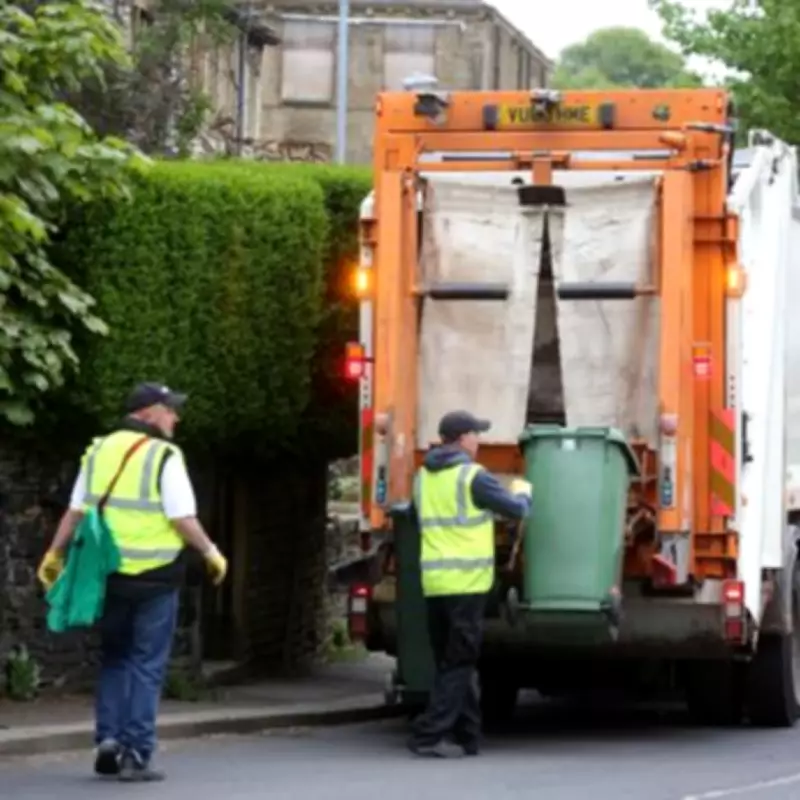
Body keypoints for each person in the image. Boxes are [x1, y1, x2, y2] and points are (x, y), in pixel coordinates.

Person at [36, 382, 228, 782]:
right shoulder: (165, 457)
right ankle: (137, 752)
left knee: (115, 657)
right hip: (156, 578)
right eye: (170, 409)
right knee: (146, 664)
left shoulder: (97, 451)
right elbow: (181, 518)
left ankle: (108, 739)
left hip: (108, 577)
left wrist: (54, 554)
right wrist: (210, 551)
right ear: (149, 412)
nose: (175, 417)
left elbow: (75, 512)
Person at [408, 410, 532, 759]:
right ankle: (429, 735)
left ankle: (468, 735)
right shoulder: (472, 477)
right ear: (462, 438)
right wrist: (524, 488)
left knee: (452, 662)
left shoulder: (423, 478)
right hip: (466, 585)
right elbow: (516, 509)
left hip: (435, 583)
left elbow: (419, 522)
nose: (479, 440)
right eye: (476, 434)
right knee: (459, 663)